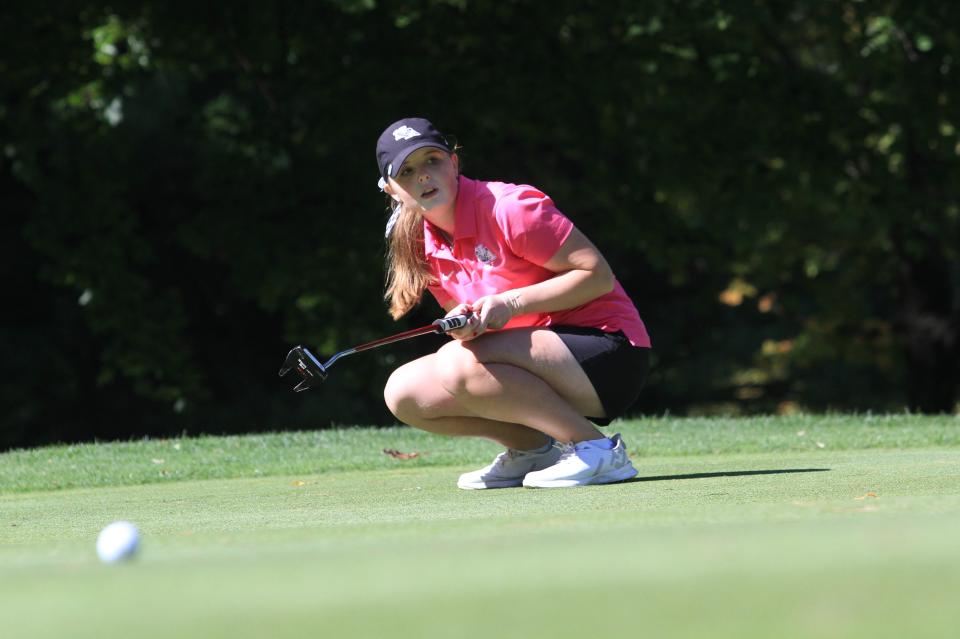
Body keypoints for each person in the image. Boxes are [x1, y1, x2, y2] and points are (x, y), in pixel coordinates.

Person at [376, 117, 651, 489]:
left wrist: (512, 302)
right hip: (540, 361)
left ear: (454, 164)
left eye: (432, 161)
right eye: (407, 171)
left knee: (457, 363)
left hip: (610, 352)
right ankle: (533, 450)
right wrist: (466, 323)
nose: (423, 176)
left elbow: (597, 275)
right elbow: (485, 328)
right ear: (391, 189)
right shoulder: (420, 243)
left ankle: (597, 450)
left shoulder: (510, 208)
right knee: (404, 392)